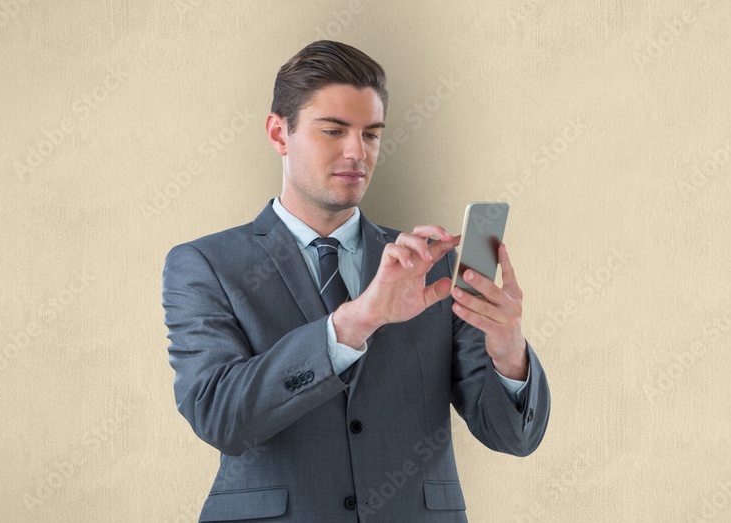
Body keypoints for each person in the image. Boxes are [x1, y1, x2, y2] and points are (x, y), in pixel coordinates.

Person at [162, 40, 550, 522]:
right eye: (334, 130)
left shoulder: (431, 268)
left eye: (371, 134)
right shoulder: (205, 264)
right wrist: (355, 322)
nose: (356, 152)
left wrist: (509, 352)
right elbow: (218, 415)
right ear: (279, 133)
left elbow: (511, 436)